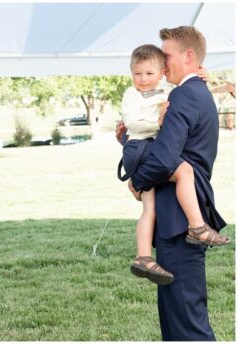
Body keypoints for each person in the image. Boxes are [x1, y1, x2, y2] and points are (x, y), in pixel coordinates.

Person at [121, 26, 228, 341]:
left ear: (189, 56)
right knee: (176, 312)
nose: (162, 63)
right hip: (178, 215)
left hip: (179, 220)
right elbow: (161, 145)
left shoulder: (183, 94)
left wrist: (138, 182)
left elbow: (166, 157)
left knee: (185, 318)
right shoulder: (195, 92)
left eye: (166, 55)